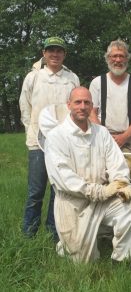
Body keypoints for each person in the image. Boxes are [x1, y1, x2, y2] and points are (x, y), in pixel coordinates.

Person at [44, 87, 131, 263]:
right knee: (83, 262)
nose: (82, 106)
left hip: (104, 201)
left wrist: (121, 183)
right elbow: (64, 179)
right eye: (78, 102)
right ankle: (67, 245)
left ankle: (124, 261)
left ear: (91, 106)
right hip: (72, 205)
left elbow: (116, 162)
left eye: (87, 102)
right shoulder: (56, 137)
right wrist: (100, 191)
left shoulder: (101, 132)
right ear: (69, 105)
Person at [19, 36, 80, 240]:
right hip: (37, 143)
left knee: (59, 190)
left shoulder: (72, 79)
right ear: (44, 54)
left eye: (59, 51)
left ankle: (54, 234)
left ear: (64, 54)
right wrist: (32, 130)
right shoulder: (34, 77)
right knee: (35, 192)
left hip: (63, 144)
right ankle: (29, 234)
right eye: (50, 50)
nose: (55, 54)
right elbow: (25, 106)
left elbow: (76, 109)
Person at [89, 39, 131, 203]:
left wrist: (125, 136)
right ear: (108, 58)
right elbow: (92, 112)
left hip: (130, 138)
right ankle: (107, 223)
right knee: (104, 179)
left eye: (121, 56)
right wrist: (105, 136)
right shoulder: (97, 83)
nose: (118, 60)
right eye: (114, 56)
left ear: (127, 58)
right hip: (103, 137)